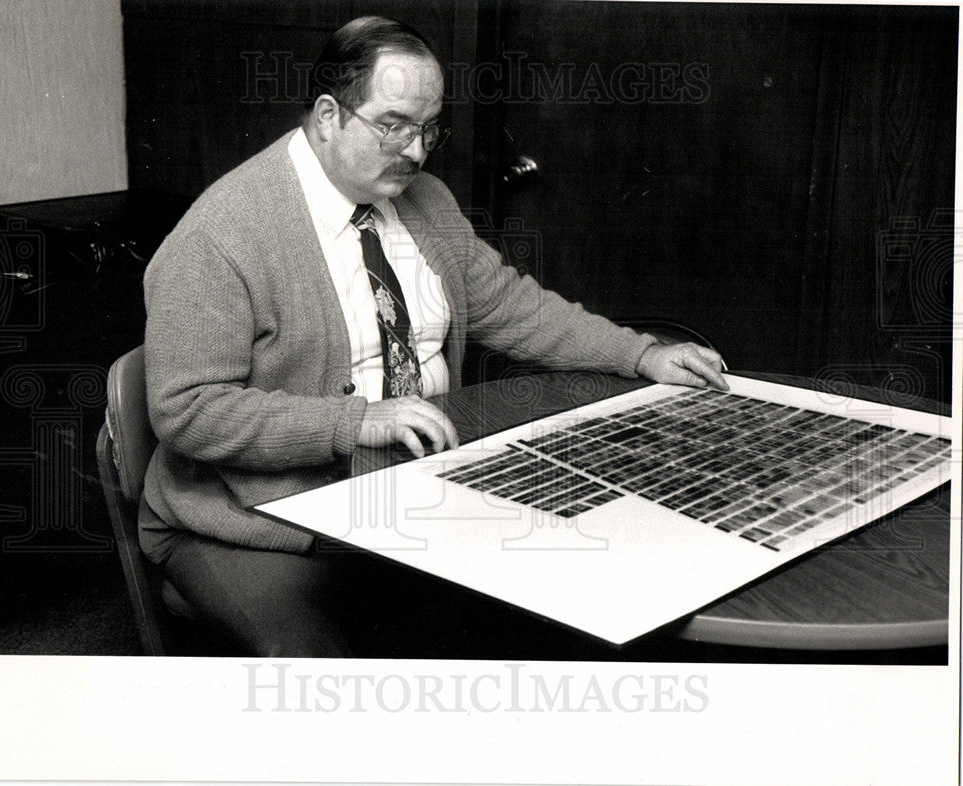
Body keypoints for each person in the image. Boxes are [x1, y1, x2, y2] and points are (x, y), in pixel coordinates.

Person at [139, 16, 727, 657]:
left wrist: (640, 352)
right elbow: (186, 410)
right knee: (321, 673)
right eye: (393, 126)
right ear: (330, 114)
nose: (416, 152)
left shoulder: (426, 202)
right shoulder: (220, 236)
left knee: (564, 604)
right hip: (245, 516)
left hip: (406, 489)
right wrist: (356, 422)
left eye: (428, 129)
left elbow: (512, 307)